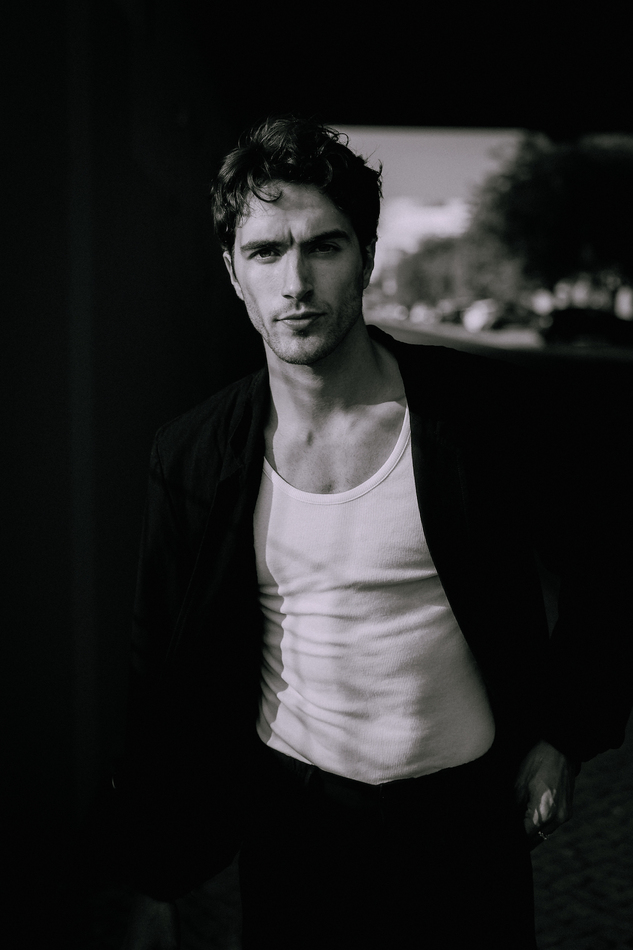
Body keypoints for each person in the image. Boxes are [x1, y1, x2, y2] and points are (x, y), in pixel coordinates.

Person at [117, 116, 632, 949]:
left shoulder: (479, 415)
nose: (295, 282)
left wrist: (566, 733)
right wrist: (149, 869)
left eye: (323, 246)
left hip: (463, 827)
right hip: (295, 830)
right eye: (265, 252)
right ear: (232, 272)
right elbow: (160, 667)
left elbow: (609, 555)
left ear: (365, 257)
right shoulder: (191, 456)